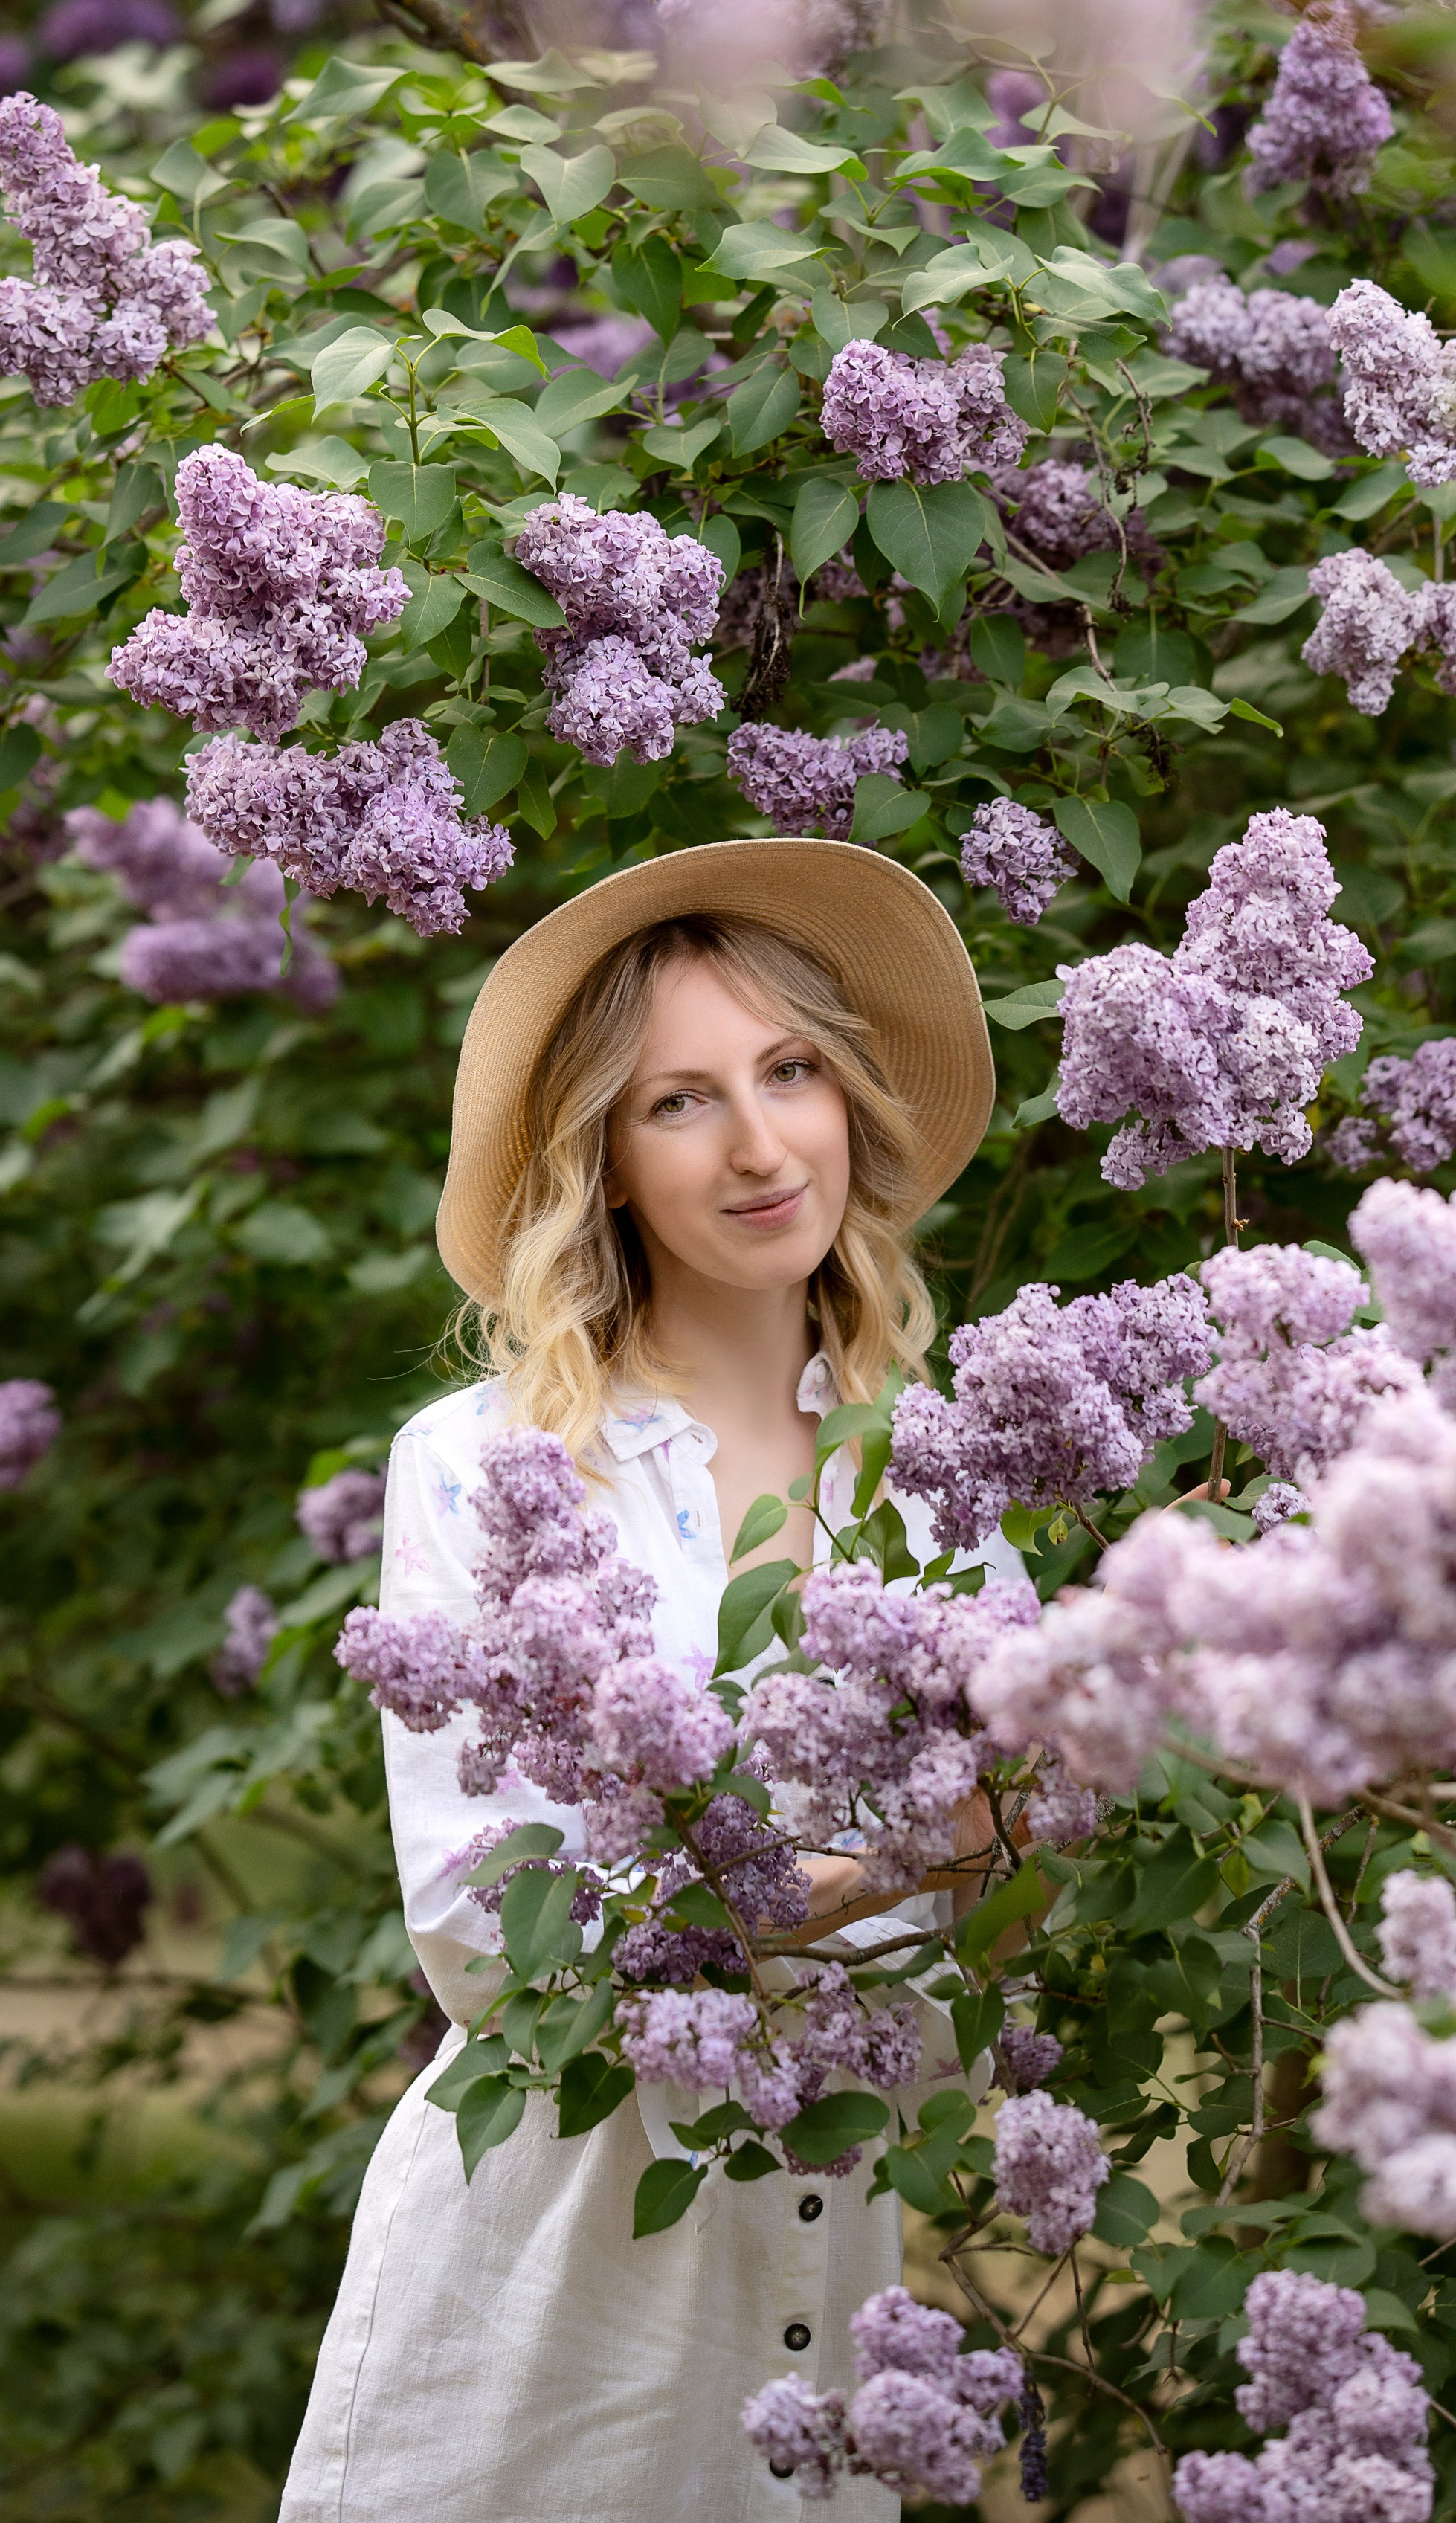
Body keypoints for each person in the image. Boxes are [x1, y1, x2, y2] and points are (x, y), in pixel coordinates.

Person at [280, 838, 1019, 2523]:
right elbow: (492, 1933)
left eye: (789, 1074)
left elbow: (1010, 1893)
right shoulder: (487, 1469)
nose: (761, 1147)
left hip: (829, 2248)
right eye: (680, 1102)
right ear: (603, 1161)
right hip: (560, 2277)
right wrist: (904, 1862)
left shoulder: (933, 1466)